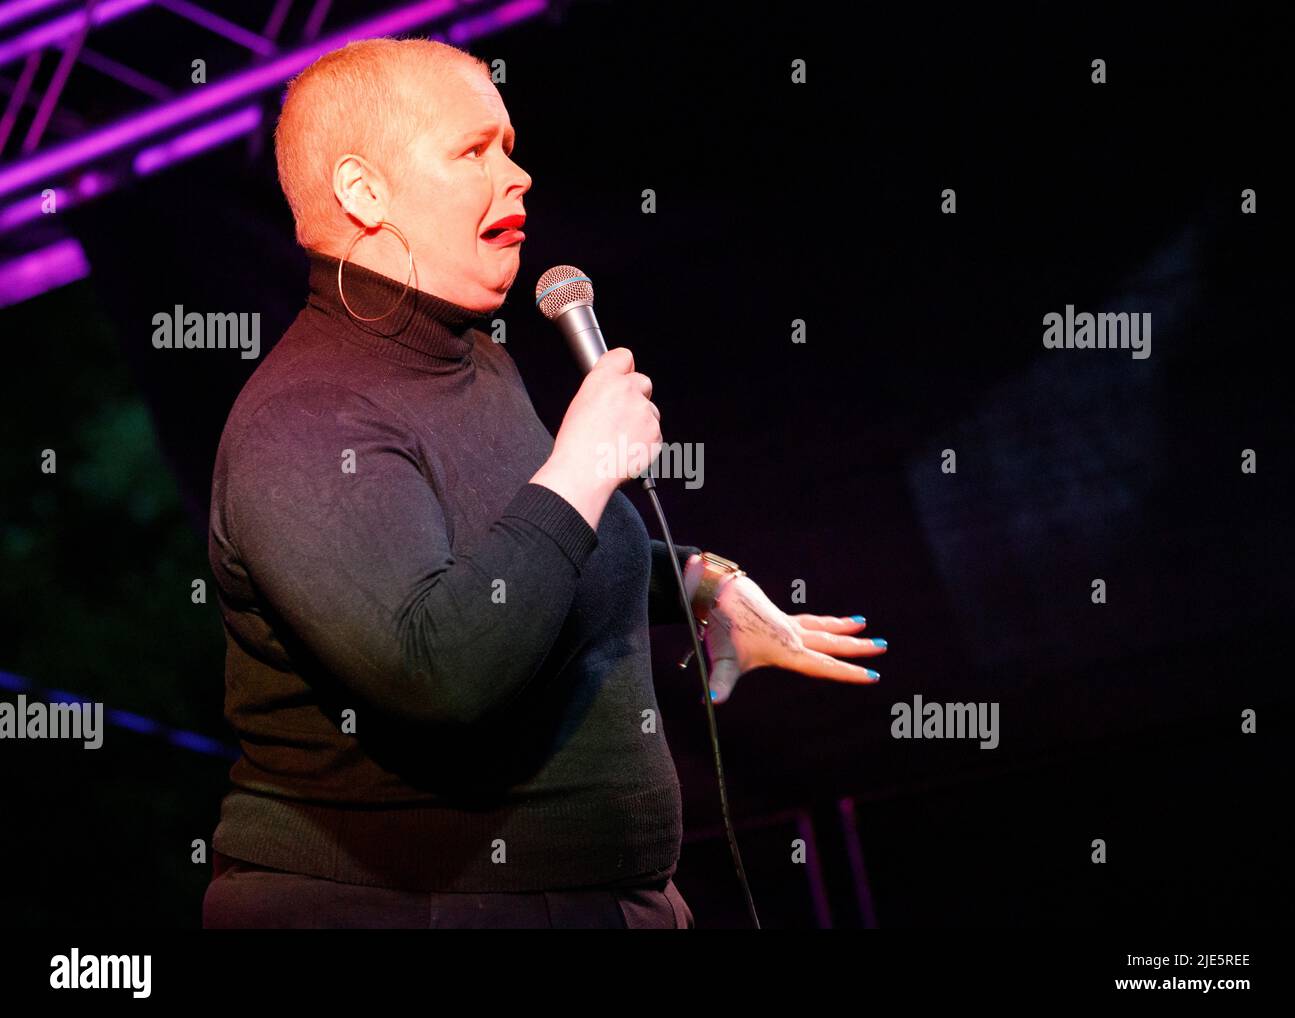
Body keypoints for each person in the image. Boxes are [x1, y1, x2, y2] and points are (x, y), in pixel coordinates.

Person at [201, 36, 887, 929]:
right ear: (364, 193)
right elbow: (437, 670)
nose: (518, 175)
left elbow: (510, 560)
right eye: (474, 151)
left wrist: (691, 580)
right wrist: (583, 465)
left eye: (510, 145)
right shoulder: (301, 419)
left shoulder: (475, 362)